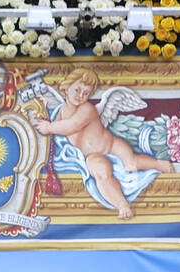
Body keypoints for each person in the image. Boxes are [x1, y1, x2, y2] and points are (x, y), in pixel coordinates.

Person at [32, 68, 172, 220]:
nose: (80, 96)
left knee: (131, 163)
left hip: (112, 146)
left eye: (86, 93)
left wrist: (49, 127)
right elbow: (56, 133)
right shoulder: (61, 111)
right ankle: (122, 205)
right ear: (66, 87)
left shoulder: (87, 109)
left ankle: (158, 164)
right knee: (101, 173)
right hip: (92, 155)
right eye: (77, 90)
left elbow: (73, 125)